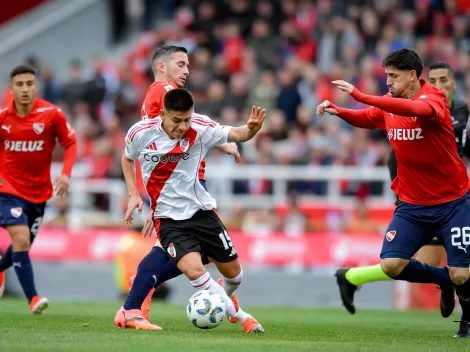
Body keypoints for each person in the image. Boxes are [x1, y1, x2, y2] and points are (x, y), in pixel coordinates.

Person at [317, 48, 470, 338]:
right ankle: (444, 280)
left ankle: (467, 318)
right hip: (413, 205)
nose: (387, 82)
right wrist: (340, 112)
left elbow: (414, 110)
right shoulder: (390, 103)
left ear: (412, 76)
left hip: (453, 202)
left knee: (462, 272)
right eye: (386, 75)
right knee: (391, 264)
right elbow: (370, 118)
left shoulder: (433, 99)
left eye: (393, 76)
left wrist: (360, 95)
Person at [114, 88, 265, 333]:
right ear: (162, 114)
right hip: (169, 219)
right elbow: (127, 158)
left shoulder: (200, 126)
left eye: (186, 119)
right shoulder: (140, 133)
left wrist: (251, 130)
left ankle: (222, 297)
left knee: (235, 275)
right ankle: (244, 317)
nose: (182, 126)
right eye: (176, 120)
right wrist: (133, 193)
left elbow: (236, 132)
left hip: (202, 212)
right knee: (195, 271)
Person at [128, 45, 240, 323]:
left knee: (189, 248)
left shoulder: (152, 97)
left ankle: (144, 281)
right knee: (199, 248)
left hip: (181, 180)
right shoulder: (164, 92)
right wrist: (161, 199)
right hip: (181, 180)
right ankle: (144, 284)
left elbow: (161, 143)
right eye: (181, 64)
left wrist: (222, 144)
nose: (187, 71)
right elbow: (163, 139)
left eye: (188, 65)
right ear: (163, 67)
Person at [0, 65, 77, 312]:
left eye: (29, 84)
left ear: (36, 86)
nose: (24, 89)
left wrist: (65, 174)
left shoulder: (51, 114)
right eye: (19, 84)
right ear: (11, 88)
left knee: (23, 245)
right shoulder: (2, 116)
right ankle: (33, 298)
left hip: (39, 192)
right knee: (20, 238)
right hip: (8, 189)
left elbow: (71, 143)